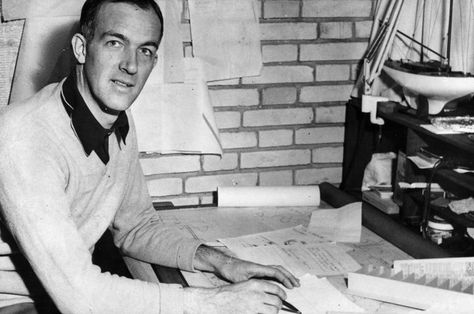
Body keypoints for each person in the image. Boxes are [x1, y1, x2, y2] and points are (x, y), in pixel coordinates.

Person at [0, 0, 300, 313]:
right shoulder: (24, 138)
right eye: (115, 43)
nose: (130, 65)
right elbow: (81, 298)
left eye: (144, 50)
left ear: (154, 62)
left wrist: (219, 261)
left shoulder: (116, 121)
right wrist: (216, 302)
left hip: (61, 290)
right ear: (81, 48)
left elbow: (135, 227)